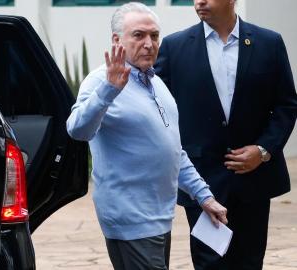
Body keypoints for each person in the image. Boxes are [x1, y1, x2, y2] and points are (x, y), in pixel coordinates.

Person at [66, 2, 228, 269]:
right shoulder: (101, 80)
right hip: (129, 220)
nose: (149, 43)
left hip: (160, 217)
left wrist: (205, 197)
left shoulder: (155, 82)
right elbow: (77, 130)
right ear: (117, 40)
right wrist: (108, 90)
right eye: (139, 35)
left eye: (154, 36)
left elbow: (174, 150)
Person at [154, 0, 297, 269]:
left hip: (253, 179)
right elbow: (159, 109)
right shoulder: (175, 47)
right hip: (201, 181)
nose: (199, 1)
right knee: (209, 263)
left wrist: (264, 150)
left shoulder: (269, 43)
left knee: (250, 262)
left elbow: (286, 106)